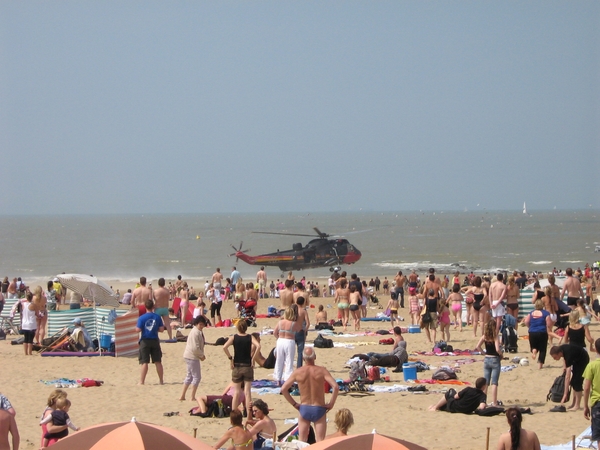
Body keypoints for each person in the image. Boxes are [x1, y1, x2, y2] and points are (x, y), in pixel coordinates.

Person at [281, 348, 339, 442]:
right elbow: (335, 387)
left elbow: (284, 389)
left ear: (303, 358)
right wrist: (331, 404)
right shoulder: (322, 370)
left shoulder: (298, 372)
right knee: (320, 441)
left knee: (302, 441)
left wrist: (294, 404)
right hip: (319, 408)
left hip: (304, 408)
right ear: (315, 357)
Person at [223, 320, 261, 417]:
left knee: (236, 392)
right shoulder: (250, 337)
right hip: (247, 366)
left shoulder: (234, 337)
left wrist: (230, 358)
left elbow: (224, 347)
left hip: (237, 366)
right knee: (247, 392)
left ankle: (234, 414)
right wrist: (253, 359)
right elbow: (258, 346)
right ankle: (249, 414)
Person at [550, 344, 590, 411]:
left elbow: (567, 376)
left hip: (583, 360)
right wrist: (564, 367)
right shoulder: (562, 350)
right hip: (576, 360)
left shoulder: (568, 354)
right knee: (573, 382)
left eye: (555, 357)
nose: (555, 359)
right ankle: (573, 404)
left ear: (559, 353)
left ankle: (577, 405)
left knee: (577, 382)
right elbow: (565, 361)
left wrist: (565, 394)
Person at [135, 299, 165, 385]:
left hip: (145, 340)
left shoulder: (141, 318)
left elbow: (138, 329)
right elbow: (162, 329)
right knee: (158, 361)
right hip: (154, 339)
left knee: (144, 362)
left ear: (145, 307)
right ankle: (161, 380)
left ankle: (142, 381)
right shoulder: (157, 317)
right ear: (153, 307)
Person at [179, 316, 207, 401]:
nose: (201, 326)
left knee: (189, 376)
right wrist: (201, 356)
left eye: (203, 324)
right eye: (200, 324)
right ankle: (192, 397)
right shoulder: (196, 332)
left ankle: (183, 396)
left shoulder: (196, 331)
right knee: (196, 377)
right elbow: (195, 348)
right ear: (196, 324)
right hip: (192, 356)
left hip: (189, 355)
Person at [476, 320, 503, 406]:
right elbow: (497, 349)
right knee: (494, 382)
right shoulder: (495, 336)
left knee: (486, 382)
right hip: (495, 359)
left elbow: (477, 346)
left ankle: (483, 402)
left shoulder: (485, 336)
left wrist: (483, 353)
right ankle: (494, 402)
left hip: (487, 359)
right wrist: (501, 355)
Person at [524, 300, 554, 369]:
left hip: (532, 332)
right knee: (543, 349)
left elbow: (526, 321)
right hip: (542, 332)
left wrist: (530, 327)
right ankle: (540, 365)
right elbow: (549, 324)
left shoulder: (531, 313)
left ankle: (534, 351)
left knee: (534, 346)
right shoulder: (546, 313)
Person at [273, 306, 299, 384]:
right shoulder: (293, 323)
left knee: (279, 360)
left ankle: (278, 379)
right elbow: (298, 330)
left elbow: (274, 332)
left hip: (280, 341)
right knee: (289, 361)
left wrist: (278, 338)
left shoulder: (280, 322)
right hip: (289, 341)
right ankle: (287, 379)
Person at [583, 338, 600, 448]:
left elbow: (587, 387)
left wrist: (585, 406)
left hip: (597, 402)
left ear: (596, 350)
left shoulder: (592, 366)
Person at [21, 291, 38, 356]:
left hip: (24, 324)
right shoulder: (33, 305)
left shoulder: (23, 304)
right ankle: (30, 352)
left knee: (25, 339)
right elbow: (37, 313)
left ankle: (26, 353)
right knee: (30, 339)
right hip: (31, 324)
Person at [295, 297, 310, 368]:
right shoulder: (304, 311)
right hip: (300, 331)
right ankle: (299, 367)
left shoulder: (293, 310)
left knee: (290, 351)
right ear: (303, 303)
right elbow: (308, 323)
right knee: (300, 352)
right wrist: (305, 330)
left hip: (292, 331)